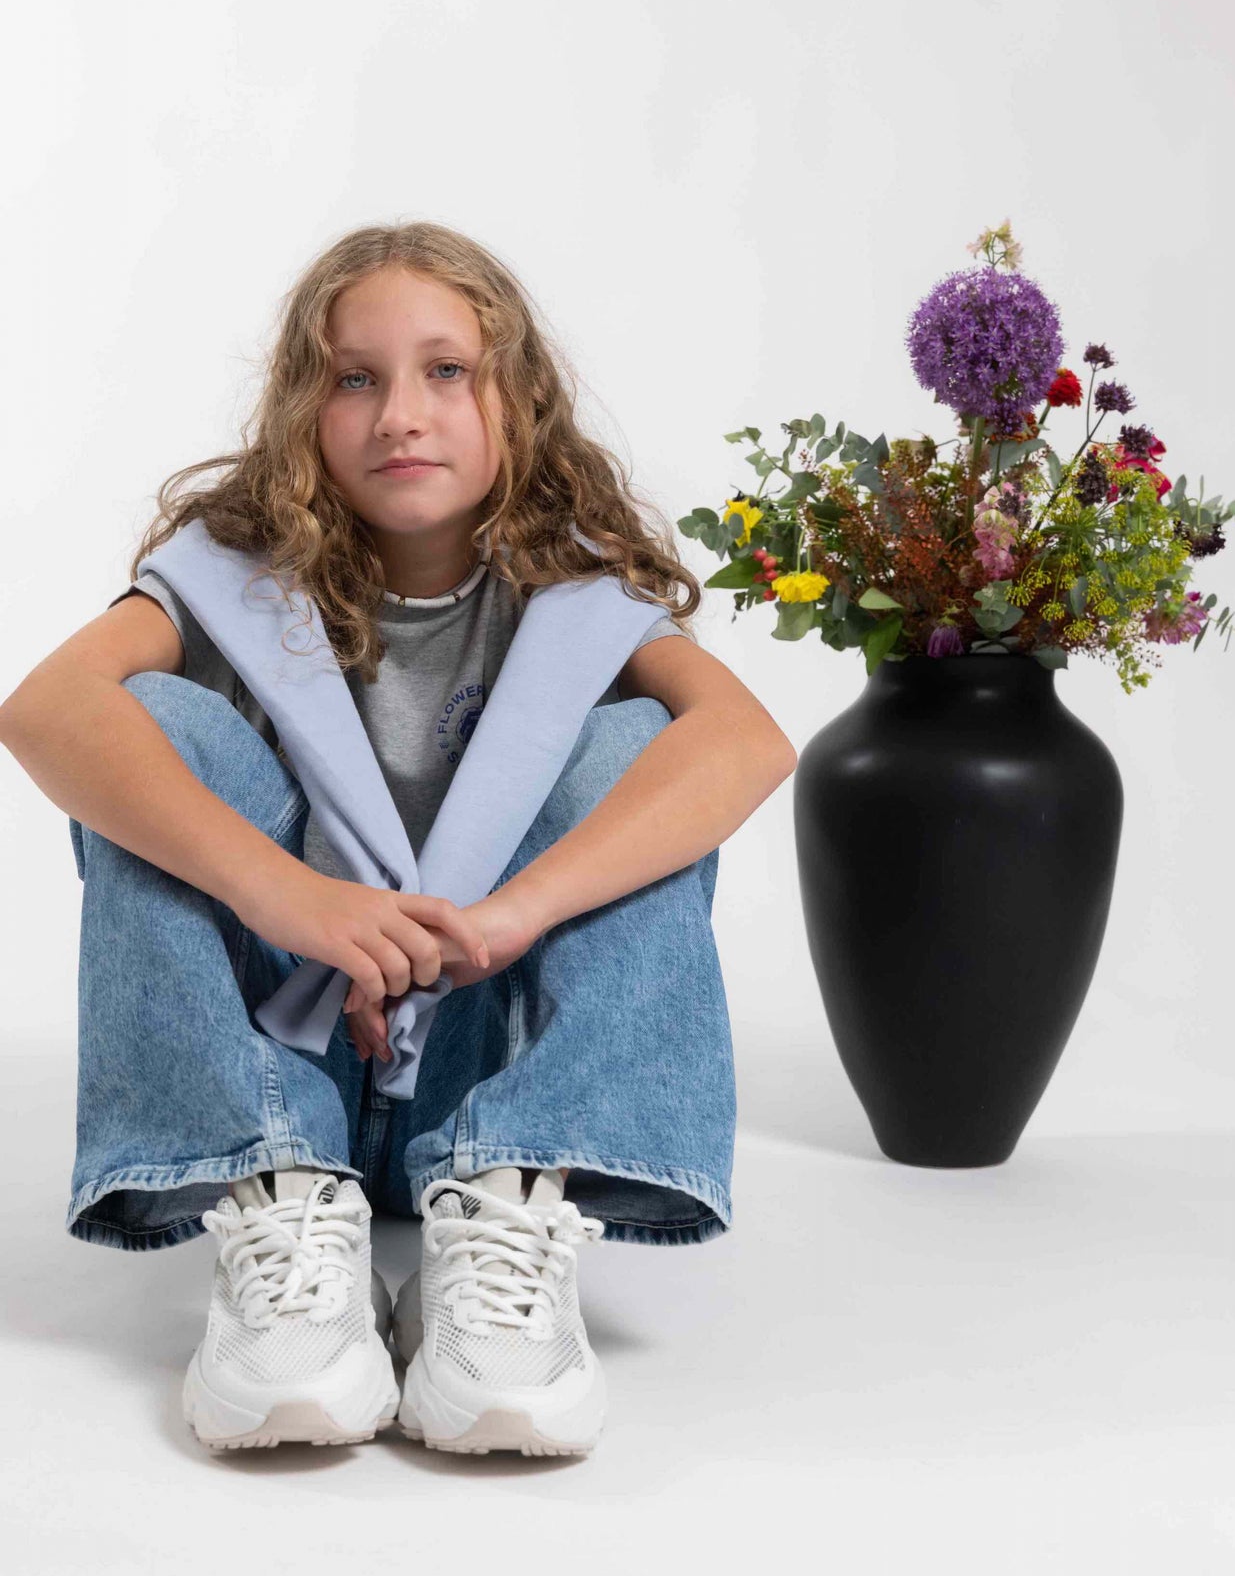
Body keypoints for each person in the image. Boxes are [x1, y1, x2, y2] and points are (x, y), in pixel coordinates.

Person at [0, 219, 796, 1458]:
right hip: (284, 1055)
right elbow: (44, 709)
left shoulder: (578, 593)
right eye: (354, 377)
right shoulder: (232, 575)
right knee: (145, 725)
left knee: (646, 744)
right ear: (302, 411)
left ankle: (503, 1206)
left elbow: (745, 742)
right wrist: (287, 897)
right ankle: (281, 1208)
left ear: (517, 401)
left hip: (484, 1055)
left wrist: (507, 916)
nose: (399, 414)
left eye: (445, 371)